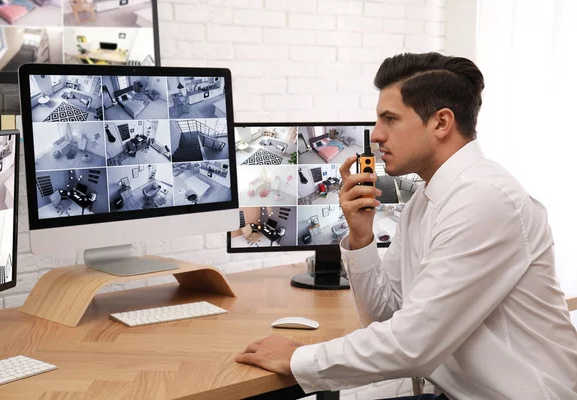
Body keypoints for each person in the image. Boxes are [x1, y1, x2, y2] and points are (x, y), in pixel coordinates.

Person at [235, 52, 577, 399]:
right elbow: (384, 319)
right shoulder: (425, 202)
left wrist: (298, 358)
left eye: (390, 119)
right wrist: (361, 235)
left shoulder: (486, 199)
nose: (376, 135)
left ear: (441, 123)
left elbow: (412, 345)